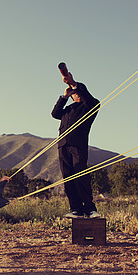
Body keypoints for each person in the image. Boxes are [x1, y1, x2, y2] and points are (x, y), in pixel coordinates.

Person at [51, 62, 101, 219]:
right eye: (73, 93)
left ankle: (90, 209)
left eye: (77, 92)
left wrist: (73, 83)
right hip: (63, 147)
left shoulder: (90, 106)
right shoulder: (68, 109)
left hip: (78, 146)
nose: (75, 94)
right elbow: (54, 113)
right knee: (68, 177)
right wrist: (64, 96)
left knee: (80, 175)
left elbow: (88, 97)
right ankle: (76, 209)